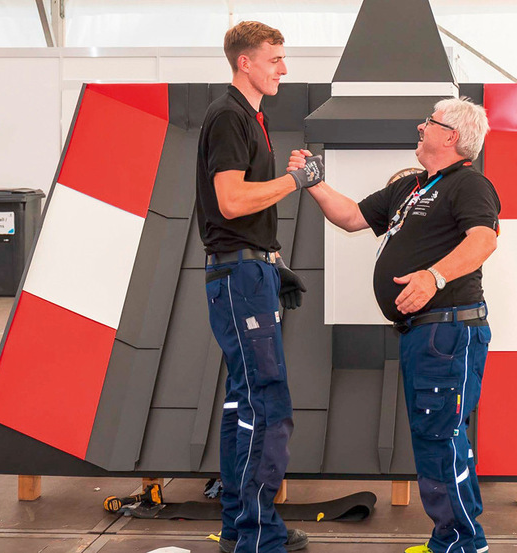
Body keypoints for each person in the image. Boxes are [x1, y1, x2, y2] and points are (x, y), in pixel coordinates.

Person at [291, 97, 499, 553]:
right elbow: (350, 217)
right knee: (434, 437)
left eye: (430, 122)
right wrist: (314, 183)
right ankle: (450, 538)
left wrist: (433, 275)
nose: (420, 127)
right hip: (423, 334)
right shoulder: (412, 187)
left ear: (451, 136)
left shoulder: (468, 184)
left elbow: (483, 239)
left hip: (448, 331)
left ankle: (465, 543)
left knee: (442, 437)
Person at [196, 21, 323, 553]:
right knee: (263, 404)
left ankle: (248, 526)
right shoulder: (230, 116)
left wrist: (272, 261)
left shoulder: (251, 117)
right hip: (240, 276)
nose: (284, 69)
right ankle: (251, 535)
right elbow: (230, 201)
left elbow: (247, 204)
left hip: (251, 273)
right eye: (275, 59)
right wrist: (295, 182)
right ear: (244, 62)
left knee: (247, 402)